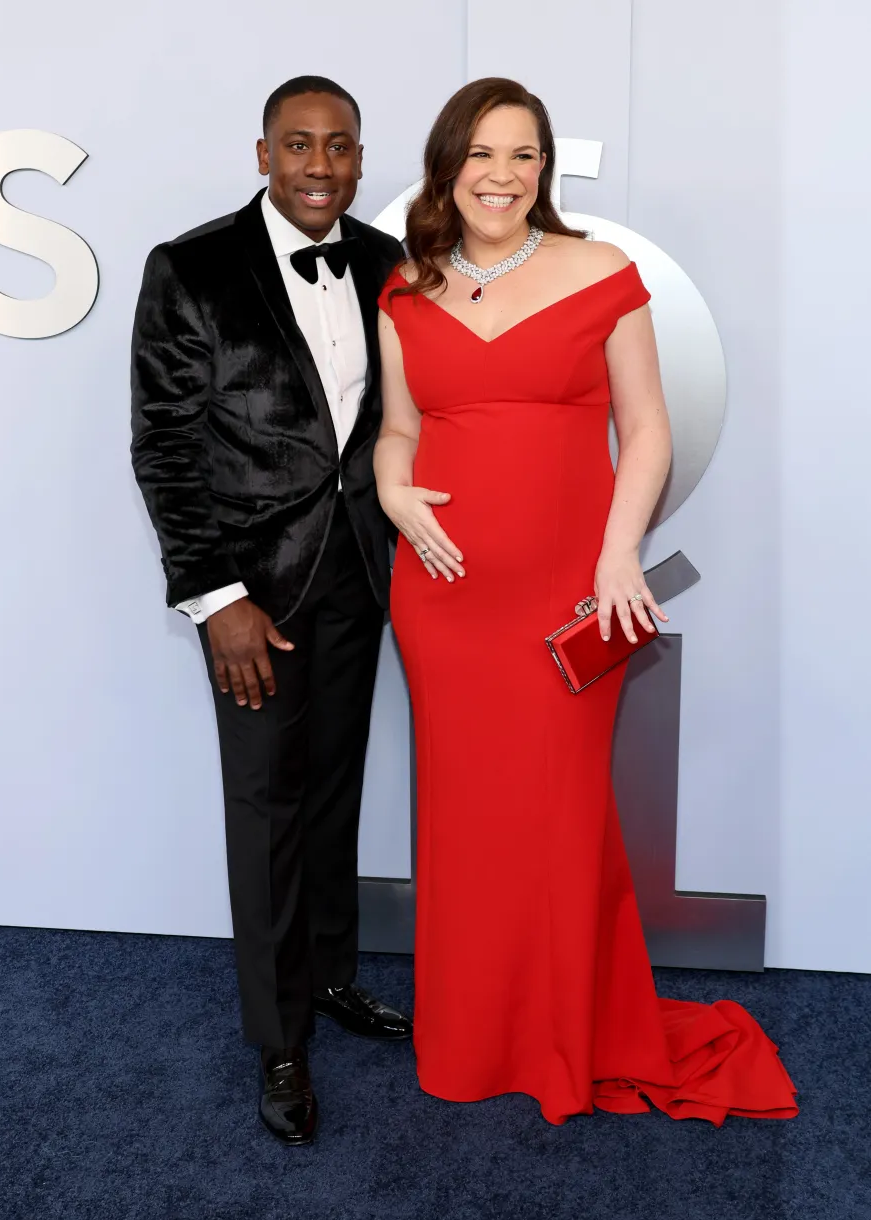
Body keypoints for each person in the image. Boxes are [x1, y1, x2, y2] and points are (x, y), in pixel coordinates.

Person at [374, 77, 798, 1126]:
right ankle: (471, 1035)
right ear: (447, 165)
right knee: (464, 821)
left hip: (568, 587)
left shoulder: (603, 273)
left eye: (523, 155)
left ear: (545, 169)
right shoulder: (404, 291)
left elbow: (646, 429)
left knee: (558, 818)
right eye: (481, 154)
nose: (502, 176)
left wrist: (619, 556)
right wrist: (391, 486)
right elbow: (394, 429)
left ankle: (563, 1035)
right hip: (443, 594)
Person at [131, 76, 410, 1147]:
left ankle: (333, 974)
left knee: (334, 788)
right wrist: (217, 600)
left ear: (358, 157)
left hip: (361, 580)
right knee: (268, 810)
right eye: (299, 145)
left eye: (340, 148)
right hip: (254, 597)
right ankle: (281, 1038)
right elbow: (164, 446)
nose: (320, 168)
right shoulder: (190, 267)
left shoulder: (388, 267)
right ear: (262, 154)